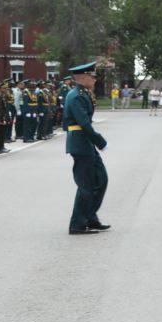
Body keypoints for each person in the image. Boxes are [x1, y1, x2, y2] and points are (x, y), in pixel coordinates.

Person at [63, 62, 110, 235]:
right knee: (86, 185)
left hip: (85, 143)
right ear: (82, 78)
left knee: (101, 179)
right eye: (92, 76)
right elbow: (83, 122)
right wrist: (100, 141)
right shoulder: (75, 96)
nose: (95, 79)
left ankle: (90, 217)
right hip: (80, 143)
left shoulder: (83, 93)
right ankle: (77, 224)